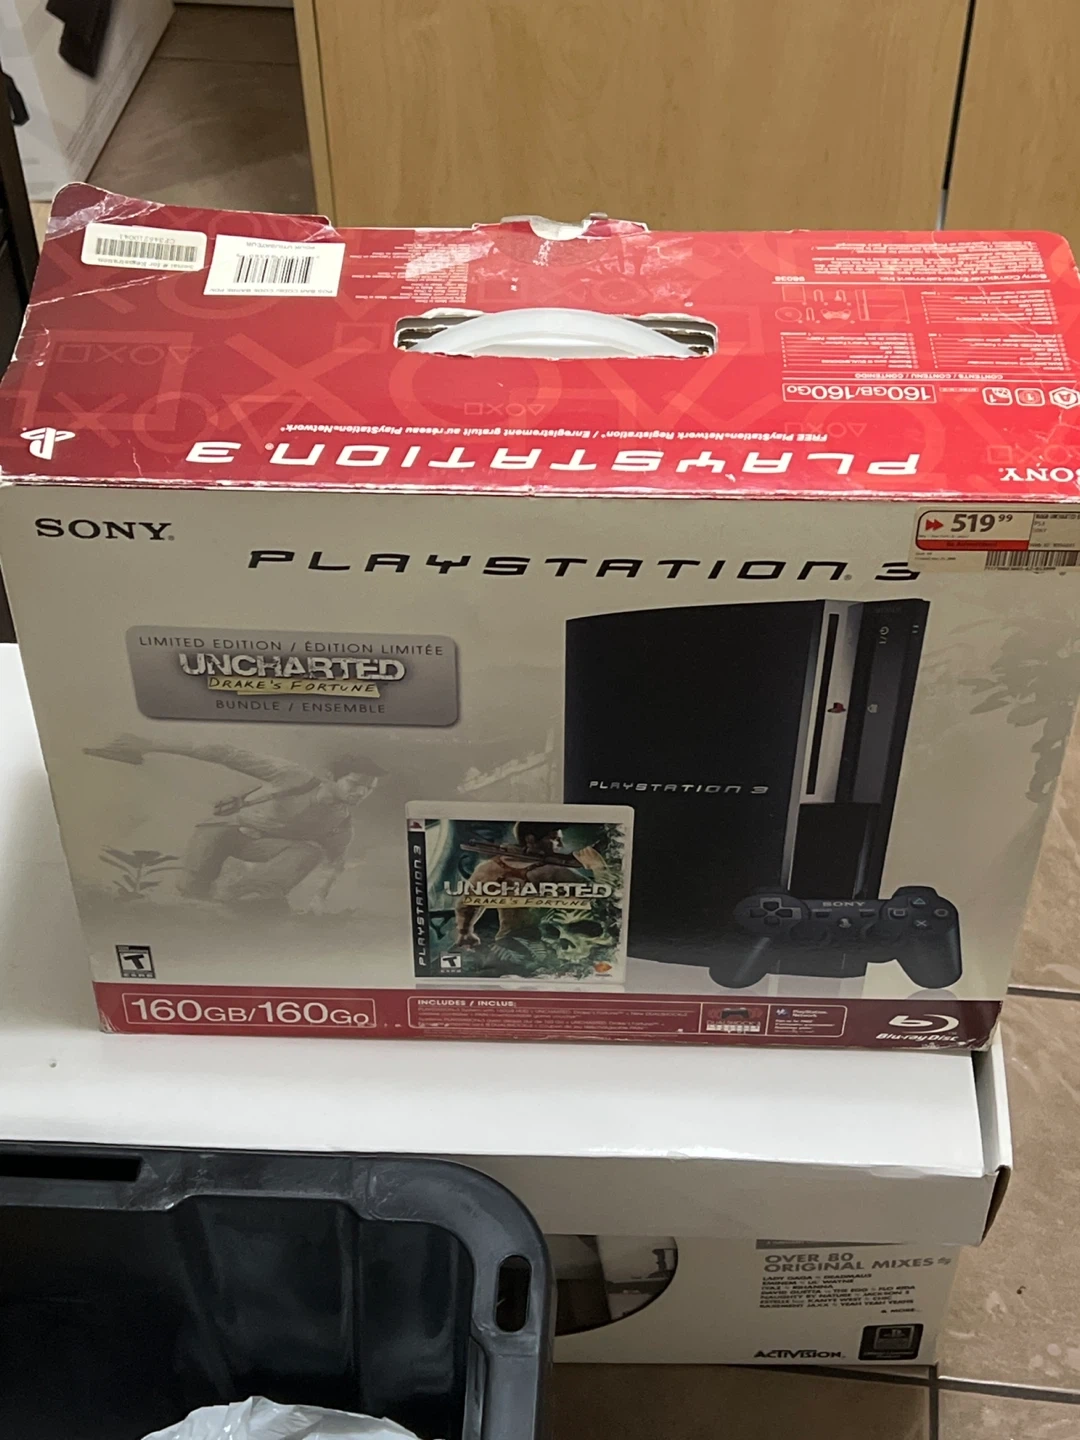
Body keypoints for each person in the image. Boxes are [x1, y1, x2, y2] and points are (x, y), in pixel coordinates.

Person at [84, 734, 383, 910]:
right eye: (355, 784)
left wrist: (318, 900)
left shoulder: (339, 823)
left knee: (309, 851)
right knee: (192, 890)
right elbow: (227, 754)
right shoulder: (295, 777)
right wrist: (148, 745)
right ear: (330, 777)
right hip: (223, 831)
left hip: (264, 846)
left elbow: (334, 863)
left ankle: (254, 895)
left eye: (368, 789)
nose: (360, 793)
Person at [454, 820, 605, 949]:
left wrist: (465, 932)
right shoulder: (553, 871)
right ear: (530, 839)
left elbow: (466, 905)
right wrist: (599, 868)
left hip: (508, 942)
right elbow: (602, 899)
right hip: (546, 945)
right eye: (554, 839)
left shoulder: (489, 868)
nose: (560, 845)